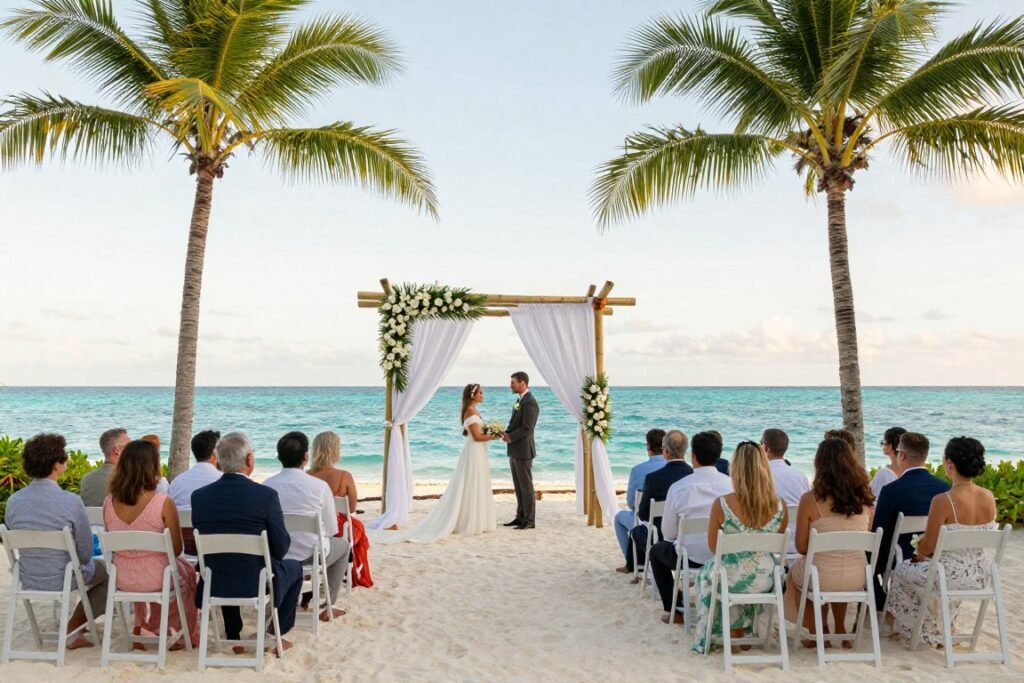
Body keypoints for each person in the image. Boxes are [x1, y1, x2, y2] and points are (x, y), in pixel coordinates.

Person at [190, 432, 303, 651]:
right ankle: (275, 632)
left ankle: (233, 633)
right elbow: (281, 548)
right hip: (256, 580)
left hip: (216, 579)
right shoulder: (265, 496)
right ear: (249, 460)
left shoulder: (200, 497)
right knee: (295, 568)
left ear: (219, 462)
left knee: (224, 560)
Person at [886, 437, 998, 646]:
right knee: (926, 574)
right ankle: (942, 627)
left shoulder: (943, 500)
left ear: (950, 464)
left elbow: (928, 548)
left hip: (947, 577)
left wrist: (919, 553)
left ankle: (922, 630)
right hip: (979, 576)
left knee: (901, 571)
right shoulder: (989, 497)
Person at [4, 433, 108, 649]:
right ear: (57, 465)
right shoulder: (70, 501)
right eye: (64, 458)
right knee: (110, 575)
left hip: (27, 576)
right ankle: (74, 627)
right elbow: (84, 551)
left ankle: (74, 625)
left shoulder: (14, 502)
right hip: (64, 576)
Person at [691, 441, 788, 654]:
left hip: (732, 580)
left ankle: (729, 633)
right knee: (746, 569)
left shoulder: (722, 504)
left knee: (711, 572)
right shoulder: (779, 505)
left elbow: (714, 547)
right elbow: (777, 544)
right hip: (766, 580)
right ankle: (741, 632)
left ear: (736, 469)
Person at [103, 439, 199, 648]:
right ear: (152, 466)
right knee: (186, 573)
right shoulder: (162, 502)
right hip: (158, 578)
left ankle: (143, 627)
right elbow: (176, 548)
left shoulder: (108, 502)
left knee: (146, 566)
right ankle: (178, 634)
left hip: (121, 577)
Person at [375, 384, 499, 544]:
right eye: (480, 392)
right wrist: (494, 436)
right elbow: (476, 436)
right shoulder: (470, 411)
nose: (483, 395)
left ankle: (477, 519)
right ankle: (469, 521)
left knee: (476, 483)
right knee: (471, 483)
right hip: (475, 451)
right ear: (473, 395)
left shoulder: (473, 410)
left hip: (478, 452)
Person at [784, 438, 874, 647]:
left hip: (821, 575)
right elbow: (865, 535)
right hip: (858, 576)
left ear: (820, 465)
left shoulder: (810, 500)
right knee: (833, 564)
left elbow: (801, 547)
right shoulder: (866, 500)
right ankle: (840, 627)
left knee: (800, 573)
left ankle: (818, 628)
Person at [263, 431, 348, 621]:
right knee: (343, 546)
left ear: (278, 457)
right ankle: (329, 605)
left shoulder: (267, 486)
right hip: (312, 554)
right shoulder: (319, 487)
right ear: (305, 457)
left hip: (278, 555)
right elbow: (333, 529)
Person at [650, 431, 733, 622]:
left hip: (688, 558)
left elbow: (668, 533)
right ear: (718, 455)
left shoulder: (679, 487)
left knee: (656, 551)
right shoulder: (731, 485)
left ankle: (674, 611)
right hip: (723, 555)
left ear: (693, 456)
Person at [872, 432, 950, 609]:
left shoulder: (892, 490)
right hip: (934, 556)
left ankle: (879, 604)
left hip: (900, 556)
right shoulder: (944, 488)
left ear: (902, 456)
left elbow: (879, 531)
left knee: (867, 554)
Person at [308, 431, 373, 588]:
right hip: (337, 529)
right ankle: (354, 573)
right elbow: (351, 508)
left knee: (356, 527)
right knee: (358, 529)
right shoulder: (344, 476)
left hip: (312, 528)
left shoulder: (305, 476)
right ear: (335, 451)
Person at [627, 430, 693, 578]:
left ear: (666, 451)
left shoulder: (653, 479)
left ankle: (637, 567)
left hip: (661, 539)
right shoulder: (693, 475)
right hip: (689, 539)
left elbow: (643, 514)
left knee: (636, 531)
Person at [613, 428, 666, 573]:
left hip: (645, 524)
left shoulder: (638, 470)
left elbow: (631, 503)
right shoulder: (674, 469)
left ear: (648, 446)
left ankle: (632, 563)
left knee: (618, 518)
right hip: (669, 524)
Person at [169, 429, 222, 555]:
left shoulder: (177, 482)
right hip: (214, 547)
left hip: (183, 548)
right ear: (215, 454)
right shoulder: (222, 480)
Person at [503, 371, 539, 529]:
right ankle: (520, 516)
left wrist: (510, 437)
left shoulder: (530, 402)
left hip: (524, 450)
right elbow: (515, 424)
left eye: (513, 382)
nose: (511, 385)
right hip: (514, 449)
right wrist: (504, 433)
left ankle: (529, 520)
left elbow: (527, 428)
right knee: (518, 486)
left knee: (526, 487)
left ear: (522, 382)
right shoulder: (520, 400)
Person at [80, 427, 129, 506]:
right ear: (117, 450)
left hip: (92, 518)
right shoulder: (128, 479)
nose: (133, 450)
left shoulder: (86, 479)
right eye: (129, 446)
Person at [870, 427, 907, 498]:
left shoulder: (884, 474)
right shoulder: (911, 471)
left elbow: (873, 498)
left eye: (883, 443)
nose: (882, 446)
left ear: (890, 446)